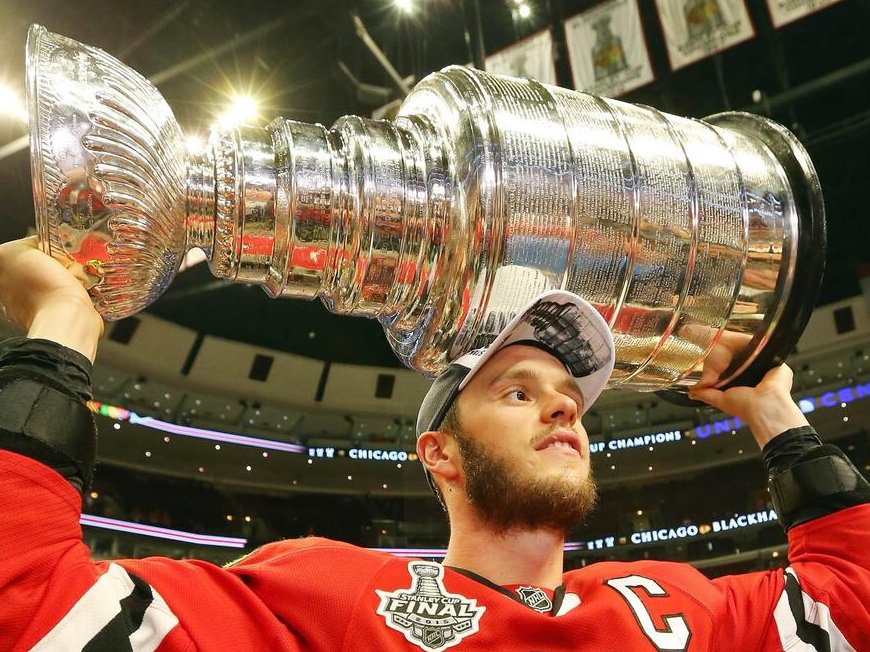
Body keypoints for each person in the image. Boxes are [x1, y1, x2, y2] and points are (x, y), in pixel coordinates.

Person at [0, 236, 867, 652]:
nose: (565, 411)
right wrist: (61, 329)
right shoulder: (322, 595)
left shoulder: (673, 604)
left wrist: (771, 413)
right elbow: (31, 604)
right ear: (440, 454)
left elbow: (851, 603)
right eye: (518, 392)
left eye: (570, 398)